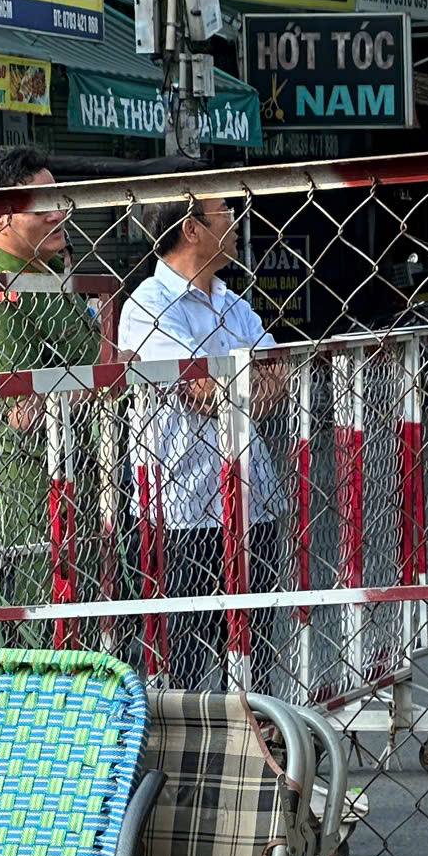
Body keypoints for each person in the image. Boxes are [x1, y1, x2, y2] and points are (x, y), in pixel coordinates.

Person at [116, 193, 290, 691]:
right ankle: (185, 752)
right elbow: (201, 392)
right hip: (180, 506)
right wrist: (239, 386)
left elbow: (276, 378)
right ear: (191, 229)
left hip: (249, 498)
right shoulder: (147, 305)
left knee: (252, 643)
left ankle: (252, 742)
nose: (236, 222)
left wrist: (234, 389)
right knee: (182, 652)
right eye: (225, 213)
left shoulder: (234, 303)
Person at [0, 144, 98, 624]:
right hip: (32, 495)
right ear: (0, 217)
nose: (59, 214)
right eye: (43, 207)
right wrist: (104, 379)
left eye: (60, 201)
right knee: (52, 629)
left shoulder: (54, 283)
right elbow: (24, 413)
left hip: (85, 480)